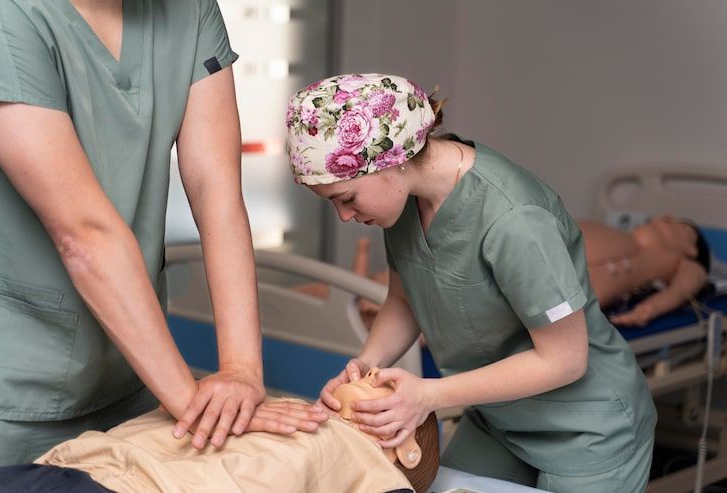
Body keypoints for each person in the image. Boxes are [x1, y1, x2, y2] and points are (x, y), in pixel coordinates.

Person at [284, 73, 657, 492]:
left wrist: (427, 395)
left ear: (392, 158)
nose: (345, 217)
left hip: (587, 427)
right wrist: (366, 367)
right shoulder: (404, 203)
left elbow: (566, 360)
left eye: (347, 198)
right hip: (498, 416)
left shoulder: (515, 220)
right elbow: (405, 299)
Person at [0, 0, 301, 467]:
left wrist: (241, 372)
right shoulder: (4, 15)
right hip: (10, 389)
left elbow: (217, 194)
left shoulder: (190, 11)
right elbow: (84, 234)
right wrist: (195, 408)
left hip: (134, 374)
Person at [0, 371, 440, 493]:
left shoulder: (375, 476)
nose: (371, 370)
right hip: (79, 465)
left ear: (407, 450)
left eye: (382, 383)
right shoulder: (288, 410)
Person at [578, 215, 710, 326]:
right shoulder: (623, 235)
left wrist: (647, 310)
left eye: (684, 227)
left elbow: (680, 291)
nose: (667, 217)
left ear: (692, 250)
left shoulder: (691, 266)